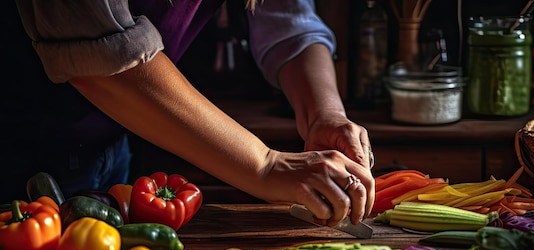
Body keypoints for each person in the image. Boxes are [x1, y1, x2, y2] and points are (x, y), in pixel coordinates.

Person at [2, 0, 374, 226]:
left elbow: (287, 21)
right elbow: (97, 58)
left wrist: (324, 113)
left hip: (113, 148)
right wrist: (266, 165)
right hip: (14, 147)